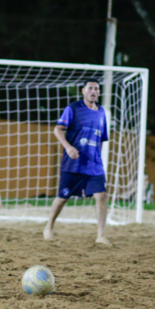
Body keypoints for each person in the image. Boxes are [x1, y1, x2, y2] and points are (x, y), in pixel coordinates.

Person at [43, 79, 111, 245]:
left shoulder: (102, 113)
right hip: (73, 164)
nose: (93, 91)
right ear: (83, 91)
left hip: (94, 166)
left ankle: (101, 235)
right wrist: (67, 147)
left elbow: (101, 139)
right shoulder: (73, 108)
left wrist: (98, 158)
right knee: (63, 197)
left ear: (99, 92)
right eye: (90, 89)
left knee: (101, 195)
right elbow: (57, 129)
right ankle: (49, 226)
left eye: (96, 89)